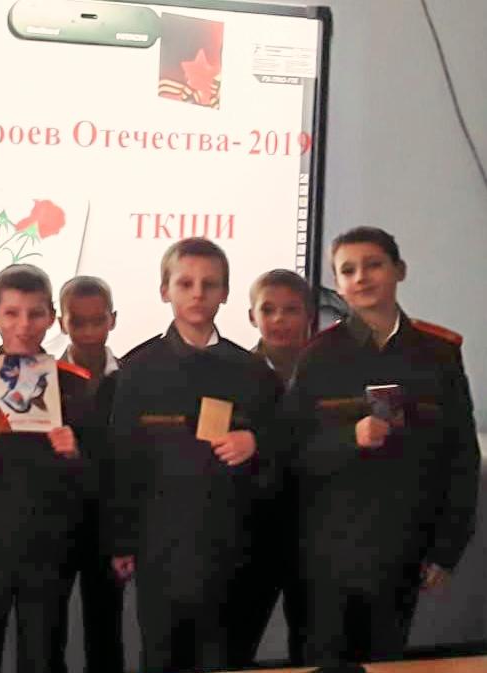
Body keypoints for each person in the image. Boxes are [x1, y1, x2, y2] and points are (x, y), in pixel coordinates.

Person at [286, 227, 479, 665]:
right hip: (326, 555)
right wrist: (347, 439)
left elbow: (461, 459)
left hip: (403, 550)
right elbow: (291, 452)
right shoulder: (317, 356)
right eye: (348, 270)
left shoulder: (439, 354)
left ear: (399, 270)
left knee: (385, 662)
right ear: (338, 284)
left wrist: (446, 550)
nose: (361, 277)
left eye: (373, 265)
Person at [109, 237, 284, 673]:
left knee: (223, 659)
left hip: (233, 548)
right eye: (185, 283)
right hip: (159, 546)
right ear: (164, 290)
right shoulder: (137, 370)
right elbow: (121, 463)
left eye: (210, 284)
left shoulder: (253, 372)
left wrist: (256, 443)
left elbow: (288, 448)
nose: (198, 294)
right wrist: (121, 540)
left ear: (225, 292)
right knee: (161, 656)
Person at [0, 265, 99, 673]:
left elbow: (97, 479)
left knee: (43, 656)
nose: (24, 325)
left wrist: (74, 454)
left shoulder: (75, 386)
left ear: (51, 318)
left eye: (35, 313)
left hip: (51, 545)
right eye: (12, 313)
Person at [228, 269, 314, 667]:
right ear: (252, 316)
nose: (279, 319)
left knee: (312, 647)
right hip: (249, 536)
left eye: (291, 310)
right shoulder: (232, 373)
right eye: (268, 310)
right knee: (235, 646)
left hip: (315, 534)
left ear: (309, 315)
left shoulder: (328, 372)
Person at [56, 276, 124, 673]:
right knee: (49, 631)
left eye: (97, 321)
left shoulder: (130, 379)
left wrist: (124, 534)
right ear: (60, 322)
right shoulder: (44, 379)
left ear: (112, 319)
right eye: (77, 322)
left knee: (106, 630)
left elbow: (132, 462)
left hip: (107, 526)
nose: (87, 332)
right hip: (57, 523)